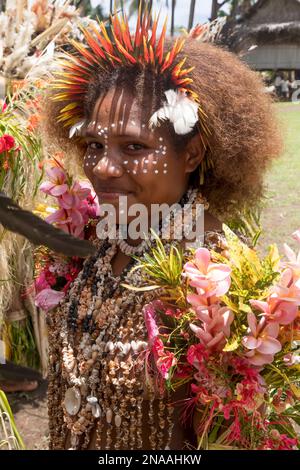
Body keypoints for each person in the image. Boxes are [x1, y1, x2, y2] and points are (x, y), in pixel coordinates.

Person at [42, 10, 281, 450]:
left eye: (134, 147)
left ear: (191, 153)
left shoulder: (218, 279)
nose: (103, 168)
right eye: (94, 145)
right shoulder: (94, 239)